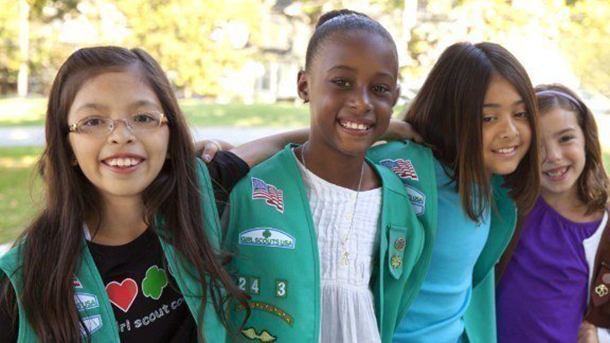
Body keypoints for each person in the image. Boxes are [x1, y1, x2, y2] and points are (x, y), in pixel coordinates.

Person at [0, 46, 268, 342]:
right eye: (93, 121)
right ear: (67, 147)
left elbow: (290, 143)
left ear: (170, 131)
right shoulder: (21, 280)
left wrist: (213, 145)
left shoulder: (195, 194)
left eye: (143, 117)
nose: (121, 135)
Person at [221, 9, 436, 343]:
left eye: (379, 88)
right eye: (342, 82)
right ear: (304, 85)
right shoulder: (252, 190)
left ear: (394, 98)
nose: (361, 102)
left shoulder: (399, 200)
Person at [367, 41, 541, 343]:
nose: (509, 131)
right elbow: (306, 155)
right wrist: (384, 129)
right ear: (450, 114)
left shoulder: (494, 185)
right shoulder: (401, 169)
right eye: (488, 118)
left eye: (521, 114)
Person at [496, 84, 610, 343]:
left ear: (586, 139)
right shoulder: (508, 203)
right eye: (537, 146)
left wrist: (598, 334)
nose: (553, 156)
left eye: (565, 138)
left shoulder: (603, 226)